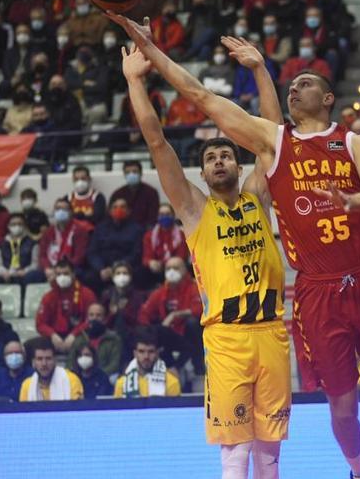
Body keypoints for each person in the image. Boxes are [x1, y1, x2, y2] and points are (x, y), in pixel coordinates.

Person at [113, 11, 360, 478]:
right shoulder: (226, 185)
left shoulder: (323, 157)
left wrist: (351, 200)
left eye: (304, 84)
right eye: (211, 157)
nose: (294, 89)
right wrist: (148, 62)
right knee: (299, 425)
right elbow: (185, 114)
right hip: (272, 312)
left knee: (288, 443)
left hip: (315, 306)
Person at [120, 36, 293, 477]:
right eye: (211, 158)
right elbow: (158, 143)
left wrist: (259, 70)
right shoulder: (195, 209)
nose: (219, 162)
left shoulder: (258, 196)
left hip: (272, 331)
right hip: (227, 339)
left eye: (226, 156)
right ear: (202, 172)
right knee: (235, 450)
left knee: (269, 449)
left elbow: (273, 138)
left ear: (238, 166)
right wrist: (135, 82)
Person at [35, 259, 97, 353]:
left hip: (79, 335)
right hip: (55, 336)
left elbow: (92, 320)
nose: (62, 277)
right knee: (31, 345)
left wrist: (74, 334)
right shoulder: (48, 297)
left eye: (66, 273)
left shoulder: (87, 294)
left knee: (80, 343)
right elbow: (40, 323)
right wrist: (53, 335)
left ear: (73, 274)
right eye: (59, 274)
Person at [86, 199, 144, 290]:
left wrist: (115, 268)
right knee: (89, 277)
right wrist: (100, 268)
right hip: (103, 268)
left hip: (126, 267)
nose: (119, 210)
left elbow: (136, 253)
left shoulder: (136, 229)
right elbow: (92, 252)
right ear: (109, 211)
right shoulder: (100, 228)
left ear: (129, 211)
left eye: (123, 207)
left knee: (140, 275)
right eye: (115, 207)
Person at [113, 329, 181, 397]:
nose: (146, 357)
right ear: (135, 353)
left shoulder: (171, 383)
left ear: (157, 353)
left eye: (151, 351)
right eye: (141, 351)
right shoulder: (121, 384)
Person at [38, 199, 91, 282]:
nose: (61, 212)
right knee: (32, 276)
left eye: (64, 209)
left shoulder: (79, 230)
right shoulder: (48, 232)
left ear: (71, 212)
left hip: (71, 268)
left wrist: (61, 271)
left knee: (81, 275)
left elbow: (79, 257)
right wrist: (47, 268)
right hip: (51, 267)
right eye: (58, 209)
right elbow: (42, 255)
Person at [67, 302, 123, 379]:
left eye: (98, 315)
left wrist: (98, 375)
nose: (94, 318)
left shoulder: (113, 339)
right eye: (91, 315)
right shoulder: (80, 338)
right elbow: (70, 362)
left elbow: (115, 364)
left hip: (105, 377)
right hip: (81, 377)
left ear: (104, 319)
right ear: (87, 319)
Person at [19, 337, 84, 402]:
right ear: (33, 362)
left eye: (48, 358)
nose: (44, 363)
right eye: (39, 359)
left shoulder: (71, 381)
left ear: (55, 360)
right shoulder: (27, 385)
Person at [0, 213, 44, 286]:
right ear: (8, 226)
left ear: (24, 226)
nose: (17, 226)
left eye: (19, 224)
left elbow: (35, 264)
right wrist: (4, 272)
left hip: (25, 275)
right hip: (7, 274)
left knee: (35, 275)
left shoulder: (33, 244)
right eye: (13, 224)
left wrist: (25, 271)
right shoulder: (1, 245)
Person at [141, 203, 190, 281]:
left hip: (174, 267)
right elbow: (146, 257)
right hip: (156, 270)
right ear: (157, 217)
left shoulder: (181, 235)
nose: (164, 217)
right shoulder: (149, 235)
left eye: (167, 214)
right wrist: (151, 262)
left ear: (173, 216)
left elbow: (182, 256)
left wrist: (167, 264)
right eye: (161, 214)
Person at [110, 161, 160, 228]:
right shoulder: (117, 194)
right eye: (128, 172)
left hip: (143, 231)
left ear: (141, 173)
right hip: (121, 230)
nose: (131, 175)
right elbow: (110, 215)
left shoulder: (151, 193)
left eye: (135, 172)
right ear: (124, 175)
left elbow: (153, 218)